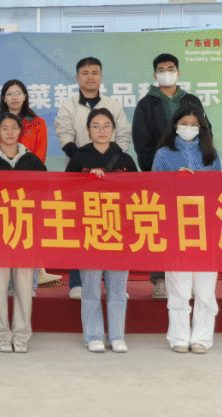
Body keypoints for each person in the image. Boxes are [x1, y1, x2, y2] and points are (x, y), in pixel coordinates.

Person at [55, 57, 132, 299]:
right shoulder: (68, 106)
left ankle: (114, 285)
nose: (90, 77)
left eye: (95, 72)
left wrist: (108, 162)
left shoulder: (114, 105)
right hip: (80, 175)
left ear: (101, 76)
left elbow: (123, 135)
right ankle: (77, 283)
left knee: (113, 227)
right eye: (86, 73)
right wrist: (85, 161)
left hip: (112, 178)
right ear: (77, 77)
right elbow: (65, 136)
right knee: (80, 228)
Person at [132, 53, 207, 300]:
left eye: (171, 68)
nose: (167, 73)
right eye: (162, 69)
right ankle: (160, 279)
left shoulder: (191, 100)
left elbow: (205, 132)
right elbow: (141, 143)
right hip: (161, 175)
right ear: (155, 75)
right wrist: (155, 173)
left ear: (178, 72)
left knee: (190, 225)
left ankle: (191, 275)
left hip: (193, 176)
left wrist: (201, 166)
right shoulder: (146, 104)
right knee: (161, 227)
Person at [65, 108, 138, 354]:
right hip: (89, 232)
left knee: (117, 289)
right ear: (88, 130)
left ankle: (117, 336)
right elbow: (67, 193)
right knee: (91, 288)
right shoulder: (79, 160)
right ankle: (94, 335)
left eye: (107, 126)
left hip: (119, 233)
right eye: (95, 126)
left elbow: (137, 193)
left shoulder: (125, 160)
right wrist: (87, 182)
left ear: (114, 129)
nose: (102, 131)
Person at [0, 113, 46, 353]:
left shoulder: (32, 161)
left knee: (24, 288)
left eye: (13, 127)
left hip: (25, 231)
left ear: (20, 131)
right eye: (4, 128)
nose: (9, 132)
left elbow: (44, 193)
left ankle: (22, 335)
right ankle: (2, 335)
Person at [153, 105, 221, 354]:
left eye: (194, 125)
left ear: (201, 128)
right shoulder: (163, 154)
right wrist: (174, 178)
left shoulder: (211, 154)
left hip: (206, 228)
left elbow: (220, 189)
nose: (189, 128)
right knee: (178, 286)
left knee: (205, 288)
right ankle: (179, 336)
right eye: (184, 123)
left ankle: (202, 337)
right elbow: (154, 189)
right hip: (176, 228)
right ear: (175, 125)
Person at [0, 79, 48, 163]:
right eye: (10, 94)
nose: (14, 97)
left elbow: (40, 156)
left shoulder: (38, 123)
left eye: (18, 93)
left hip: (31, 170)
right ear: (4, 98)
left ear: (25, 96)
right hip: (1, 170)